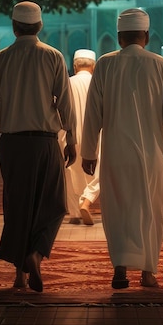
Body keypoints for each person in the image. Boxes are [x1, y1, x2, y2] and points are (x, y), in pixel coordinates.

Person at [81, 8, 163, 289]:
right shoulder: (161, 64)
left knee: (117, 211)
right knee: (152, 212)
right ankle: (148, 272)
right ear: (147, 36)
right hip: (153, 156)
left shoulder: (104, 64)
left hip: (115, 154)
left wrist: (88, 152)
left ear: (119, 37)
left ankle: (119, 269)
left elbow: (93, 113)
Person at [0, 1, 76, 293]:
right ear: (40, 26)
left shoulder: (0, 59)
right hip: (45, 143)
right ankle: (36, 254)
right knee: (54, 204)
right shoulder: (53, 57)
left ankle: (20, 276)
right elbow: (65, 103)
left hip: (11, 145)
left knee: (17, 207)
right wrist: (71, 138)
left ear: (14, 27)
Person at [60, 49, 100, 226]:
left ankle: (75, 214)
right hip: (95, 134)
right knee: (99, 171)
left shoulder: (67, 83)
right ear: (93, 66)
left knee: (71, 171)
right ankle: (87, 199)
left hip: (70, 135)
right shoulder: (98, 83)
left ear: (75, 66)